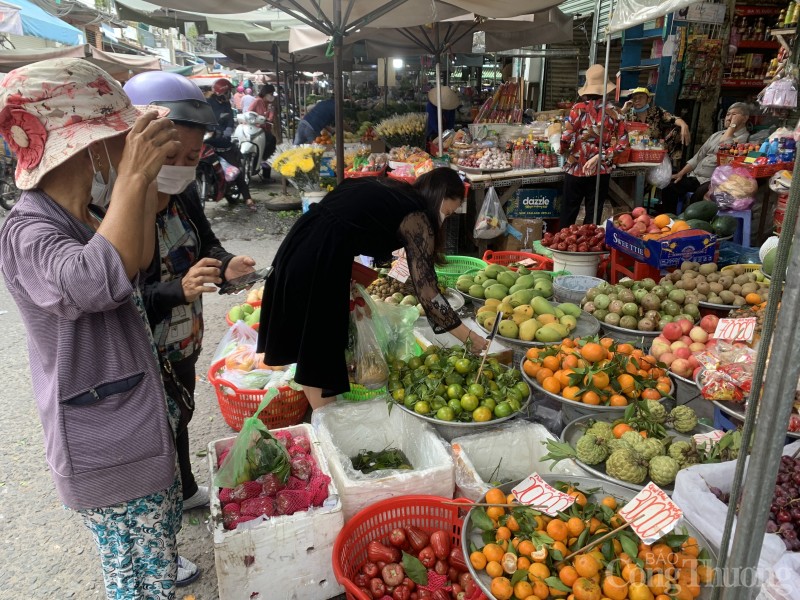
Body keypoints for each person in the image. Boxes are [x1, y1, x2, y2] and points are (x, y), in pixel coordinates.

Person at [0, 58, 201, 595]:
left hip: (133, 427)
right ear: (87, 147)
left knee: (158, 567)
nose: (123, 147)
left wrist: (143, 183)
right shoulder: (27, 231)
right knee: (138, 584)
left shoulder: (86, 212)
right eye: (117, 136)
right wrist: (133, 175)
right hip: (104, 442)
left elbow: (133, 259)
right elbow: (91, 283)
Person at [123, 71, 257, 512]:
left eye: (193, 154)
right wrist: (175, 290)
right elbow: (116, 294)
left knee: (182, 414)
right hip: (140, 349)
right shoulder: (109, 209)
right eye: (171, 153)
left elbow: (207, 243)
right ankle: (162, 524)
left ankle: (182, 490)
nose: (182, 164)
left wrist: (226, 265)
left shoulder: (183, 194)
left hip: (184, 338)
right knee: (153, 433)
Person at [257, 169, 489, 410]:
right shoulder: (417, 216)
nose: (445, 219)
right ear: (439, 198)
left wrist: (345, 274)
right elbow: (428, 292)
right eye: (448, 212)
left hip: (300, 245)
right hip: (317, 260)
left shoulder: (395, 192)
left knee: (311, 345)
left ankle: (324, 418)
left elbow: (342, 222)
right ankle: (326, 423)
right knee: (319, 348)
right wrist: (469, 338)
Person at [560, 64, 628, 226]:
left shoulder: (577, 109)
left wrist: (564, 153)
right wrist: (601, 155)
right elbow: (623, 145)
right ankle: (588, 248)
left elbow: (565, 139)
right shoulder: (616, 113)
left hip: (576, 168)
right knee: (593, 215)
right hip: (601, 170)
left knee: (569, 211)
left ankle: (562, 246)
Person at [659, 102, 751, 213]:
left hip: (715, 181)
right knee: (669, 187)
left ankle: (691, 222)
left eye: (734, 115)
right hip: (696, 177)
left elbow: (725, 144)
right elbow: (698, 157)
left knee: (700, 194)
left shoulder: (745, 139)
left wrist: (732, 126)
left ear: (745, 118)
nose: (729, 118)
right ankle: (669, 219)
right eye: (727, 114)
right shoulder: (716, 135)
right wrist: (681, 173)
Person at [206, 78, 256, 210]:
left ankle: (248, 198)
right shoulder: (207, 103)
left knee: (236, 170)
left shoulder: (227, 104)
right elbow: (202, 118)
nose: (230, 94)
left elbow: (229, 120)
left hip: (223, 142)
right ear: (222, 92)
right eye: (229, 92)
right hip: (208, 140)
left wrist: (228, 129)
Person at [622, 87, 690, 166]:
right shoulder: (628, 115)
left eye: (641, 97)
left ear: (648, 100)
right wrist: (624, 109)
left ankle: (672, 163)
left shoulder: (656, 111)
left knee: (678, 130)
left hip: (654, 147)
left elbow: (672, 118)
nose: (637, 100)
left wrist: (684, 125)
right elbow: (614, 122)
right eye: (634, 98)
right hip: (636, 148)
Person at [250, 83, 278, 180]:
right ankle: (263, 160)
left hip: (266, 130)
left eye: (272, 94)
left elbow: (270, 118)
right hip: (256, 130)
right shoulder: (258, 101)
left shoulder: (269, 105)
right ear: (265, 93)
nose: (272, 96)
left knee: (272, 142)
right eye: (270, 94)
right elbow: (249, 112)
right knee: (271, 140)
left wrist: (271, 113)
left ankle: (266, 167)